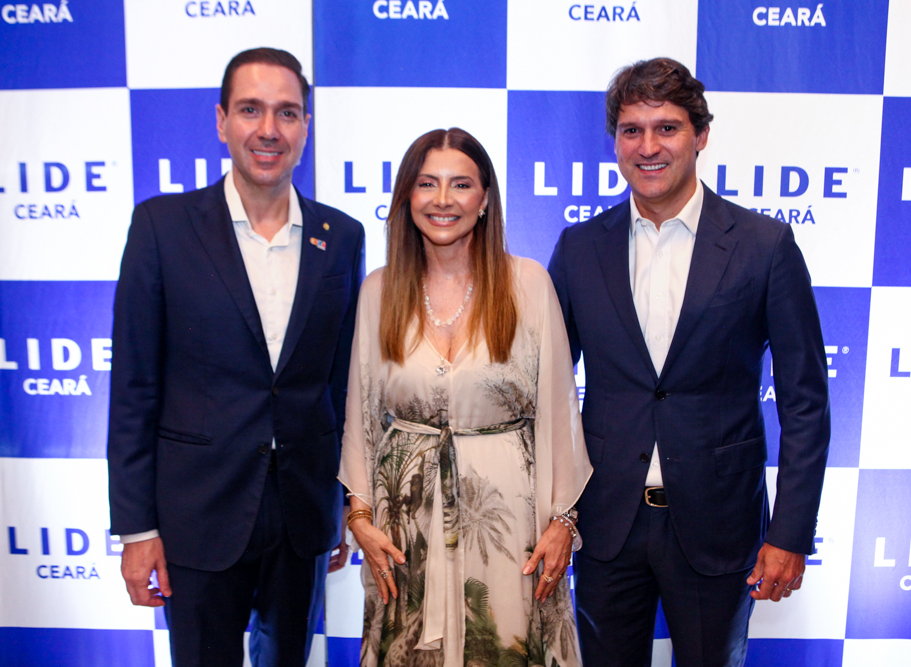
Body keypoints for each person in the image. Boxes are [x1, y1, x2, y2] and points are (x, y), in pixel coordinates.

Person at [547, 58, 830, 667]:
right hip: (605, 522)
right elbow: (545, 389)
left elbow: (806, 402)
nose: (648, 147)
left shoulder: (765, 246)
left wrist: (789, 533)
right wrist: (553, 514)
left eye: (667, 128)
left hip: (719, 524)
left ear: (700, 135)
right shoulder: (579, 247)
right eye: (631, 130)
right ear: (615, 142)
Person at [107, 47, 364, 667]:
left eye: (287, 113)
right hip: (197, 515)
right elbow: (134, 388)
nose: (269, 129)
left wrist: (340, 503)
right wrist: (138, 530)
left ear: (305, 127)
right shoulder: (162, 227)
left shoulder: (341, 236)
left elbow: (340, 386)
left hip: (303, 515)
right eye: (251, 110)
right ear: (221, 121)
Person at [338, 128, 592, 667]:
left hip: (509, 532)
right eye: (427, 183)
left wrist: (562, 521)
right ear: (407, 197)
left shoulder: (528, 285)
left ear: (485, 199)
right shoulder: (379, 291)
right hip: (404, 534)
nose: (443, 199)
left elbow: (558, 412)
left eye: (460, 184)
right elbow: (360, 417)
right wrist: (359, 517)